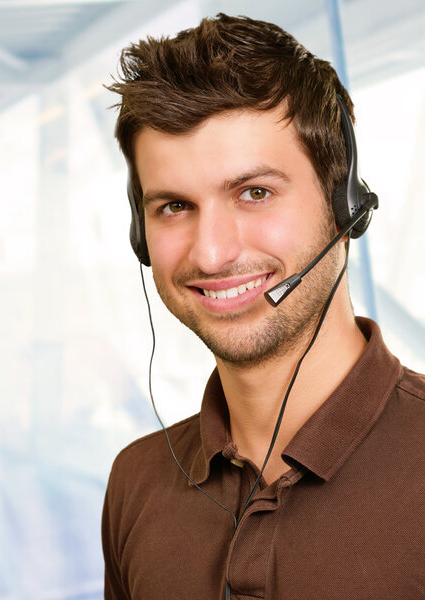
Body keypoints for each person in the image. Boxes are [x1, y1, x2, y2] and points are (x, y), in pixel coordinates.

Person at [102, 14, 425, 600]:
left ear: (345, 205)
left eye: (255, 193)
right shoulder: (136, 481)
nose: (213, 251)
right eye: (174, 206)